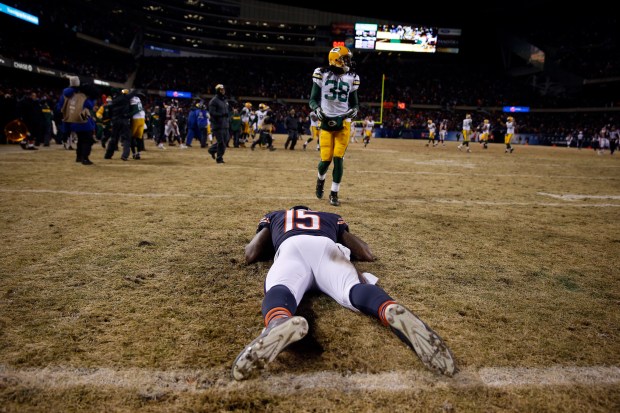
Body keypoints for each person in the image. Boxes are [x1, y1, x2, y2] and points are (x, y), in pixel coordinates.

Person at [231, 206, 457, 381]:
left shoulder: (277, 215)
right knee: (352, 288)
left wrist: (272, 235)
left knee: (281, 288)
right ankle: (387, 307)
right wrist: (340, 230)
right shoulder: (329, 216)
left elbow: (251, 253)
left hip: (292, 248)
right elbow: (365, 253)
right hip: (327, 249)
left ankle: (277, 321)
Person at [309, 46, 360, 207]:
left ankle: (334, 193)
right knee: (325, 160)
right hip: (325, 122)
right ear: (336, 60)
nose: (348, 62)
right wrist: (317, 109)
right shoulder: (321, 73)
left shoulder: (352, 77)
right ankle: (320, 179)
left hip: (343, 122)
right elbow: (312, 99)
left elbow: (355, 104)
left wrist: (354, 111)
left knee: (338, 158)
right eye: (345, 58)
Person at [208, 84, 231, 163]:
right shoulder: (213, 101)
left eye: (223, 89)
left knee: (225, 141)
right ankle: (219, 158)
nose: (223, 91)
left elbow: (226, 112)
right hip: (217, 125)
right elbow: (212, 113)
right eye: (221, 90)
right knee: (221, 142)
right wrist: (222, 115)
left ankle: (212, 149)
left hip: (225, 125)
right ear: (217, 90)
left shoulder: (224, 100)